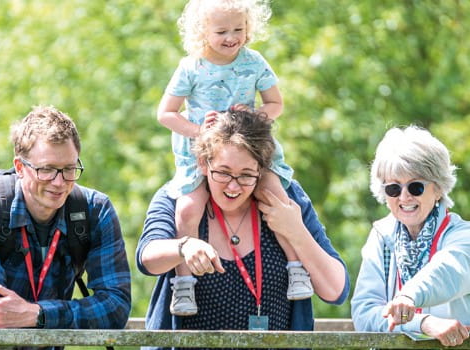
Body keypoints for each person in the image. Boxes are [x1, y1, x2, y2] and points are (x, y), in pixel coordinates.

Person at [137, 106, 349, 349]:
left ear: (262, 170)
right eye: (223, 173)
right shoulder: (178, 197)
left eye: (246, 175)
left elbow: (336, 290)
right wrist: (183, 246)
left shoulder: (286, 198)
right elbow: (147, 258)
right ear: (203, 164)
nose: (234, 187)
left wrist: (296, 231)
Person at [155, 0, 311, 316]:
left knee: (278, 199)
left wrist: (257, 113)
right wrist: (198, 130)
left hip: (250, 148)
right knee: (187, 209)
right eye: (222, 31)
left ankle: (296, 267)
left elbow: (275, 104)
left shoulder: (253, 62)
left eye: (238, 29)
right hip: (202, 154)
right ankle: (183, 286)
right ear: (202, 32)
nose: (232, 37)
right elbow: (166, 114)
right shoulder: (192, 67)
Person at [0, 106, 132, 341]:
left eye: (69, 169)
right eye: (47, 170)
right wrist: (55, 315)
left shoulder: (94, 210)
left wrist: (38, 314)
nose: (59, 182)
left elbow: (116, 307)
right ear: (20, 167)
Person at [352, 126, 470, 347]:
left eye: (416, 187)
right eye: (393, 188)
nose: (404, 197)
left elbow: (448, 270)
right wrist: (422, 322)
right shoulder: (381, 236)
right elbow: (365, 313)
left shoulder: (463, 236)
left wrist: (408, 297)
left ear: (438, 189)